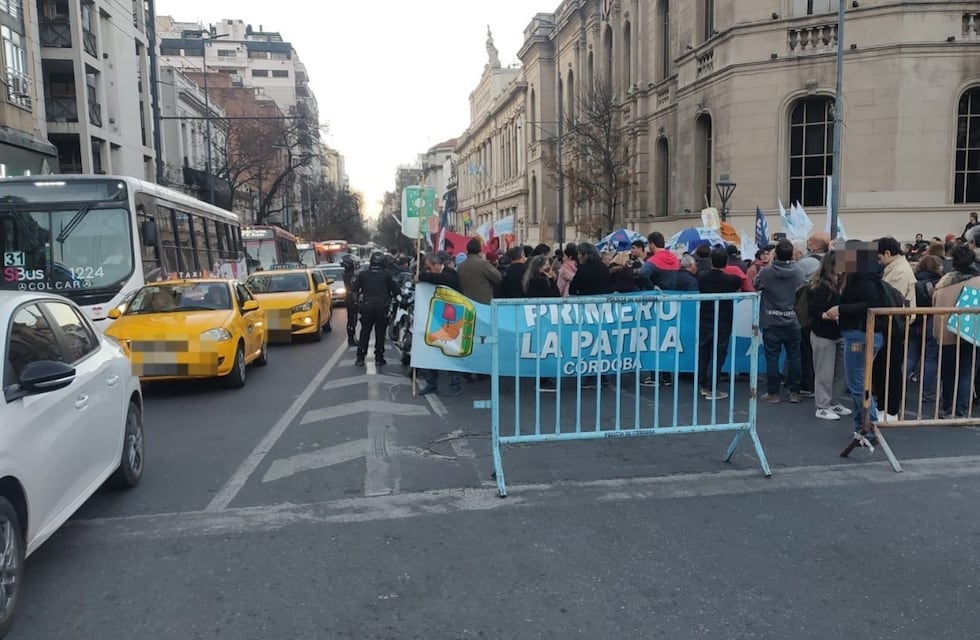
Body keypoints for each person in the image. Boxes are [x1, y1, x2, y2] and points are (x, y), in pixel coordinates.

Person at [825, 241, 888, 437]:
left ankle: (870, 426)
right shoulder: (868, 275)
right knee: (859, 382)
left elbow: (871, 304)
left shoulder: (861, 278)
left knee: (857, 383)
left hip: (859, 332)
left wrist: (841, 310)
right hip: (864, 332)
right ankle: (862, 428)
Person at [754, 238, 805, 403]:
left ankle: (773, 393)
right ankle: (795, 392)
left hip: (771, 320)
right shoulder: (798, 271)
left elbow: (756, 284)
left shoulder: (766, 272)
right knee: (795, 357)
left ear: (775, 255)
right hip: (793, 320)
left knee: (772, 358)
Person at [932, 245, 980, 418]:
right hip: (970, 333)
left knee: (948, 373)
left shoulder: (944, 282)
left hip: (945, 334)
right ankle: (961, 410)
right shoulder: (977, 282)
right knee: (966, 371)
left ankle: (946, 407)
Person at [874, 236, 917, 421]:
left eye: (879, 257)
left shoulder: (899, 271)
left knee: (890, 369)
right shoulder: (896, 268)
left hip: (894, 325)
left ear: (888, 253)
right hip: (892, 324)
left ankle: (891, 409)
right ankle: (885, 407)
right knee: (884, 368)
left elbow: (890, 299)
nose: (878, 261)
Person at [806, 251, 852, 420]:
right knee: (824, 372)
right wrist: (831, 316)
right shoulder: (822, 287)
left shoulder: (842, 283)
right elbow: (813, 311)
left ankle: (833, 401)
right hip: (823, 333)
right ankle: (822, 405)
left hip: (839, 333)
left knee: (842, 371)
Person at [696, 247, 744, 400]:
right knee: (718, 353)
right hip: (723, 319)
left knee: (704, 351)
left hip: (705, 318)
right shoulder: (731, 280)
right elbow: (743, 282)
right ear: (726, 263)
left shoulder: (702, 277)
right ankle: (711, 387)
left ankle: (702, 384)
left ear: (711, 261)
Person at [416, 252, 463, 397]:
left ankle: (455, 384)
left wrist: (422, 277)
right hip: (435, 318)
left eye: (430, 268)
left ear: (437, 264)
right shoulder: (434, 275)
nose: (428, 271)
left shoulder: (450, 274)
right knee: (431, 350)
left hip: (451, 319)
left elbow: (443, 280)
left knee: (449, 351)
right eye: (426, 269)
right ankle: (431, 384)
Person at [352, 252, 399, 367]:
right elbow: (397, 291)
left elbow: (354, 290)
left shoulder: (364, 274)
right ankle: (379, 357)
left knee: (364, 332)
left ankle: (360, 358)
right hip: (382, 307)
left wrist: (357, 304)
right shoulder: (387, 275)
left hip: (367, 307)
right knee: (380, 333)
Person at [457, 237, 502, 304]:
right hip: (483, 303)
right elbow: (498, 278)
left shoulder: (461, 266)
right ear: (480, 250)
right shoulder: (483, 264)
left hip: (467, 303)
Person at [341, 254, 360, 346]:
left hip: (350, 298)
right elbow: (355, 287)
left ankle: (352, 338)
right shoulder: (349, 275)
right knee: (352, 319)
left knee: (352, 319)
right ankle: (351, 339)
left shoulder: (348, 274)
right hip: (352, 298)